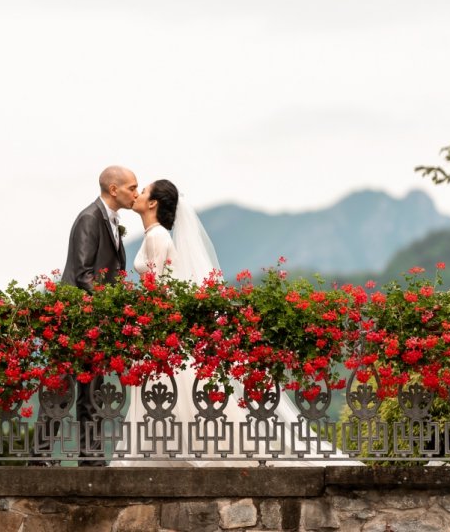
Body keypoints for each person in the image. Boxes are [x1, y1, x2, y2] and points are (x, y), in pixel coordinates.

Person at [112, 179, 340, 467]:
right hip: (160, 327)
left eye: (143, 191)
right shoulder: (154, 235)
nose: (138, 194)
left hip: (160, 328)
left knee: (168, 394)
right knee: (171, 395)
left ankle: (183, 457)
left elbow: (157, 289)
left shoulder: (156, 237)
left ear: (154, 203)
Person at [41, 165, 138, 465]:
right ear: (113, 189)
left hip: (92, 321)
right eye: (132, 187)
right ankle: (40, 457)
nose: (136, 192)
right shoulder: (89, 218)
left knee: (91, 393)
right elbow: (83, 275)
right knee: (60, 393)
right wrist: (111, 306)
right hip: (75, 320)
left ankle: (91, 457)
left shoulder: (111, 221)